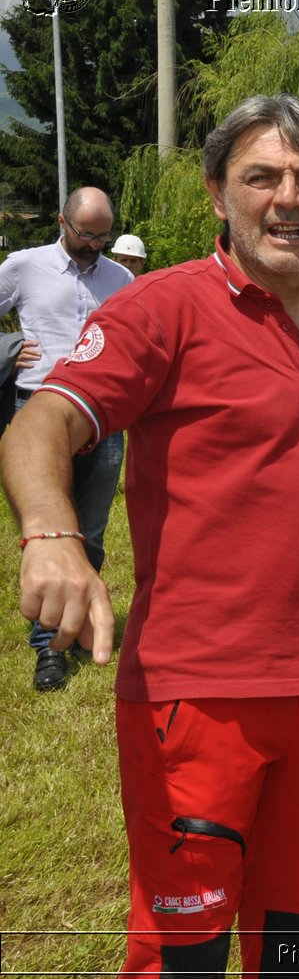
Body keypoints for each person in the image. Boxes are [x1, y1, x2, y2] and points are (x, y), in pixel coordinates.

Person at [3, 95, 299, 975]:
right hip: (196, 698)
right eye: (263, 176)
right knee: (186, 958)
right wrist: (54, 531)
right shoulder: (162, 308)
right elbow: (41, 422)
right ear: (219, 195)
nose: (289, 197)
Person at [0, 186, 132, 691]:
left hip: (102, 422)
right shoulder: (24, 265)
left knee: (90, 532)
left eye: (103, 235)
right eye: (85, 234)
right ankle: (48, 649)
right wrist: (9, 347)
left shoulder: (121, 278)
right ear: (61, 221)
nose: (94, 244)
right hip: (37, 414)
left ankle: (78, 624)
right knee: (51, 534)